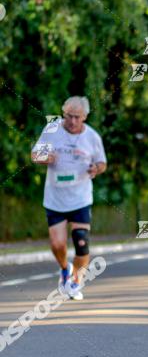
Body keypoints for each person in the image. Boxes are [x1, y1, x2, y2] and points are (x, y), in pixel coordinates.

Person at [31, 96, 107, 300]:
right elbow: (34, 155)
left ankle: (75, 281)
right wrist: (46, 157)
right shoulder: (53, 130)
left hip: (80, 198)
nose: (72, 121)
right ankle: (65, 269)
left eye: (77, 117)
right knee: (57, 245)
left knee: (81, 243)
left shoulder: (92, 137)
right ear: (64, 114)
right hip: (55, 198)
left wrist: (95, 169)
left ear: (84, 117)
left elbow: (102, 163)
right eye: (69, 116)